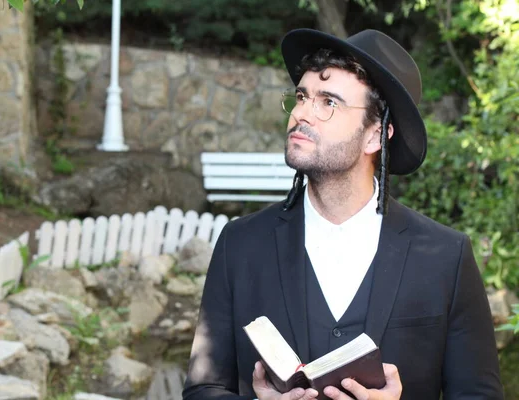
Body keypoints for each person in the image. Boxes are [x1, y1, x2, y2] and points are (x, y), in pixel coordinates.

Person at [181, 28, 504, 400]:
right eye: (301, 97)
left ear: (374, 136)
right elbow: (202, 390)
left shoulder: (447, 257)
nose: (301, 114)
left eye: (328, 102)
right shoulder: (239, 244)